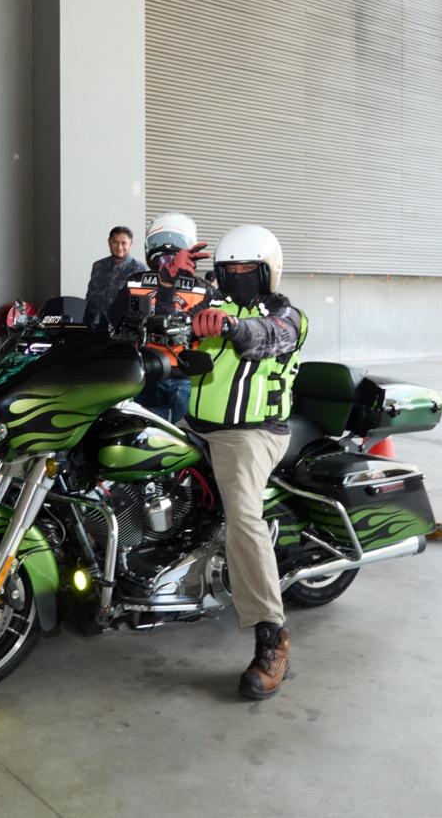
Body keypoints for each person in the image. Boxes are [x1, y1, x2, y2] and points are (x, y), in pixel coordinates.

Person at [186, 225, 307, 700]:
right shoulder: (208, 305)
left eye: (245, 269)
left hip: (252, 433)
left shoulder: (288, 316)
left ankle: (272, 635)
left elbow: (265, 336)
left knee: (243, 517)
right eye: (228, 269)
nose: (235, 276)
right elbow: (161, 315)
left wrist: (231, 327)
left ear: (267, 271)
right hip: (196, 426)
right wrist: (169, 280)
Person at [109, 212, 211, 423]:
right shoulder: (202, 288)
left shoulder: (136, 281)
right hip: (175, 374)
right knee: (181, 435)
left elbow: (113, 320)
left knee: (146, 432)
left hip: (152, 371)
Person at [83, 226, 145, 325]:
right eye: (115, 242)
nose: (119, 247)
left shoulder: (140, 269)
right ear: (109, 242)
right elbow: (90, 298)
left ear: (130, 244)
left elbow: (139, 306)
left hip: (123, 327)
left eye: (124, 243)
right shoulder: (98, 266)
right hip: (97, 325)